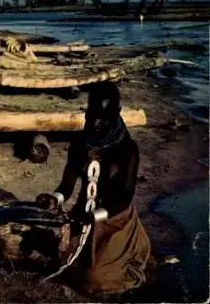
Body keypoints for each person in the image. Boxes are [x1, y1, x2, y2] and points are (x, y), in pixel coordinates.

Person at [36, 81, 151, 295]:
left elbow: (124, 198)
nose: (96, 122)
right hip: (83, 213)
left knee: (93, 281)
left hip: (115, 219)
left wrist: (95, 216)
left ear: (117, 112)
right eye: (93, 113)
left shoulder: (127, 150)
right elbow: (67, 185)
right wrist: (56, 198)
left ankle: (128, 258)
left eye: (104, 116)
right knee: (66, 262)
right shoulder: (80, 141)